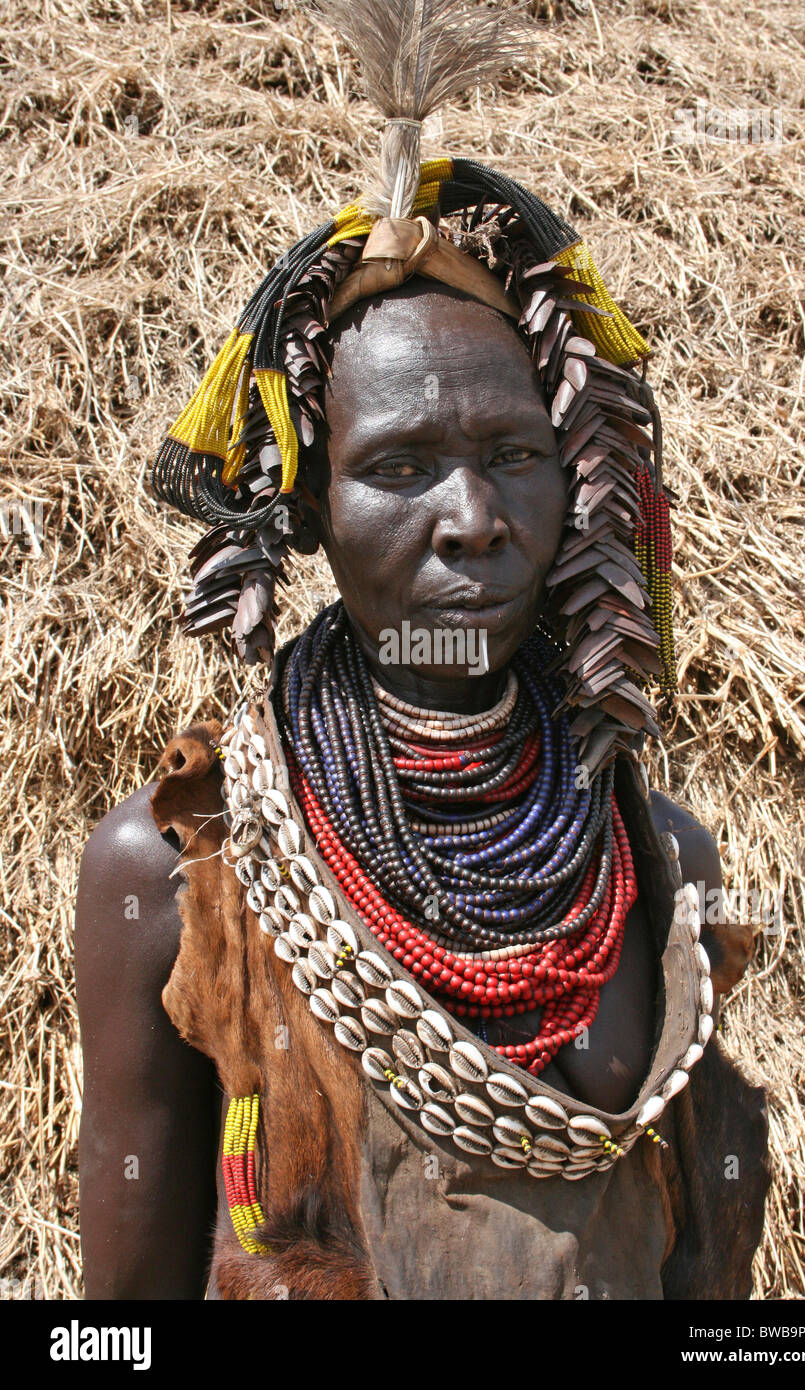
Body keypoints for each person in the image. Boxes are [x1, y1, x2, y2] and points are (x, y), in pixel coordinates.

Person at [75, 1, 769, 1300]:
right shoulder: (170, 877)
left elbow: (700, 1270)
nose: (470, 519)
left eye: (513, 455)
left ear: (574, 486)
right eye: (398, 466)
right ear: (305, 505)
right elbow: (113, 1320)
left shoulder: (661, 860)